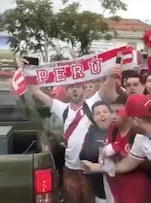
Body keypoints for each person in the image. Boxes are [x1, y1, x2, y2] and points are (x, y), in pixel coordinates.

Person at [30, 64, 120, 203]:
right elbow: (36, 92)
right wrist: (27, 69)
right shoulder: (62, 108)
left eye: (78, 86)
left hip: (89, 168)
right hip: (70, 170)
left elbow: (106, 88)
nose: (75, 89)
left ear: (83, 89)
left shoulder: (92, 103)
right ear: (67, 92)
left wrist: (112, 75)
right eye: (71, 87)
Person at [82, 94, 151, 202]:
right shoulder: (140, 138)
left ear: (136, 120)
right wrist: (94, 167)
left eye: (128, 118)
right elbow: (127, 165)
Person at [79, 101, 113, 203]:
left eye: (105, 111)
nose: (102, 114)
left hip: (120, 187)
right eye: (97, 113)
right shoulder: (91, 134)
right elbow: (83, 157)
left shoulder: (118, 131)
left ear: (111, 114)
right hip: (100, 190)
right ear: (93, 119)